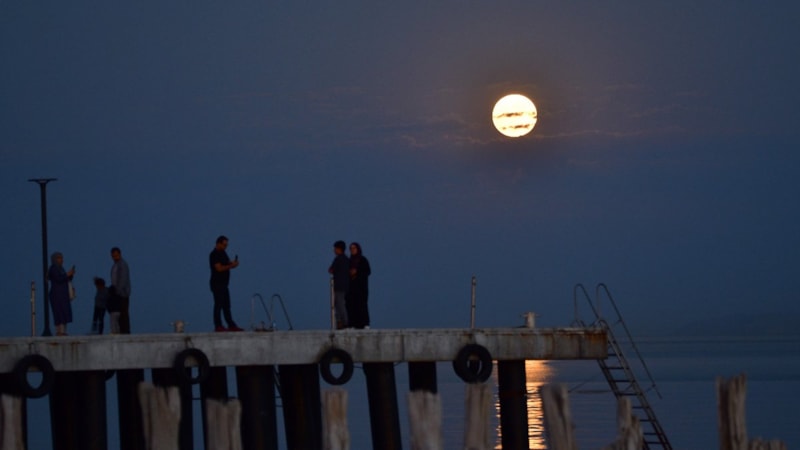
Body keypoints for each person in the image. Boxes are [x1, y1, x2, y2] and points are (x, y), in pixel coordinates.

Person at [209, 235, 244, 332]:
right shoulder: (214, 254)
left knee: (226, 305)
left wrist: (233, 264)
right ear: (218, 244)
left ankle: (231, 325)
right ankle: (218, 325)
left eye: (226, 245)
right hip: (217, 283)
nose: (225, 247)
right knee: (218, 305)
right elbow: (219, 268)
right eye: (224, 245)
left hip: (224, 284)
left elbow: (227, 263)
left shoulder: (223, 253)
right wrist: (230, 266)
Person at [48, 252, 75, 336]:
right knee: (59, 313)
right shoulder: (53, 269)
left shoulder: (61, 268)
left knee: (64, 313)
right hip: (57, 294)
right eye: (59, 258)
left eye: (61, 258)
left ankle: (63, 331)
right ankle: (59, 331)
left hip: (63, 294)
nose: (61, 260)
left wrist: (70, 275)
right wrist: (67, 274)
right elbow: (59, 278)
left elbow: (64, 278)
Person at [346, 242, 371, 329]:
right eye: (351, 248)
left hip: (361, 288)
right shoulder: (349, 261)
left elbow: (368, 271)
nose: (352, 250)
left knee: (362, 305)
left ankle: (365, 324)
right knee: (352, 306)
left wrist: (357, 271)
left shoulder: (363, 260)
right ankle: (353, 324)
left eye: (354, 248)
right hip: (351, 289)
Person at [328, 240, 350, 330]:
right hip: (345, 285)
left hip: (339, 285)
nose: (334, 250)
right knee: (340, 304)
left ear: (338, 249)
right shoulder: (347, 259)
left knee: (339, 304)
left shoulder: (338, 259)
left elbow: (331, 270)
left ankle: (344, 323)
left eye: (335, 248)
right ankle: (341, 323)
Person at [109, 247, 132, 334]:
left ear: (120, 254)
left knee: (123, 313)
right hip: (117, 293)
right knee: (119, 313)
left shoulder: (122, 264)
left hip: (122, 293)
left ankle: (125, 331)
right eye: (113, 256)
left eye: (116, 255)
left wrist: (118, 291)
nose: (115, 257)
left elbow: (123, 279)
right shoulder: (115, 265)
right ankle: (121, 330)